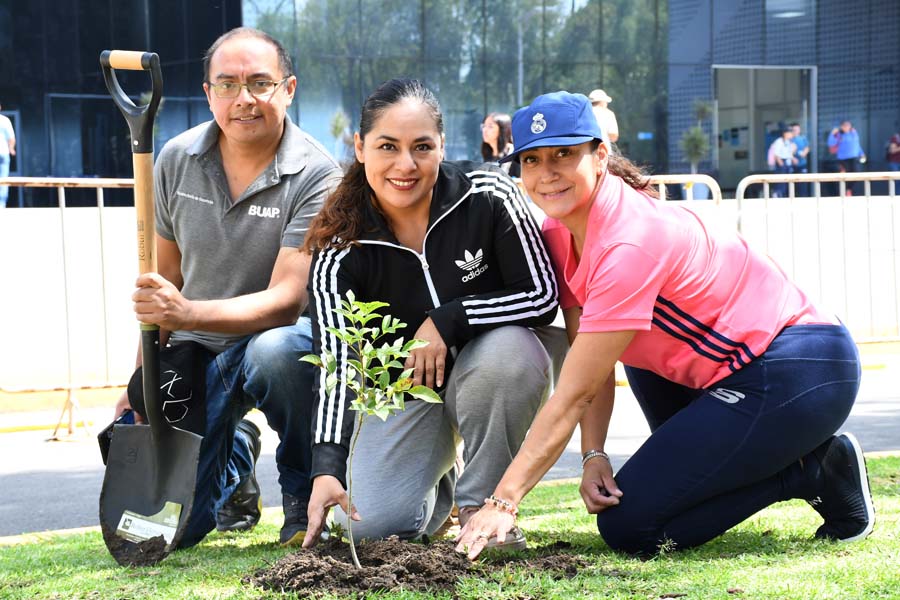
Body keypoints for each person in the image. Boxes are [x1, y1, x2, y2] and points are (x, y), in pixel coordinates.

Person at [457, 91, 874, 559]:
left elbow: (572, 391)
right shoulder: (559, 230)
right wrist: (594, 455)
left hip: (799, 368)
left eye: (563, 154)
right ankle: (788, 462)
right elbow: (587, 366)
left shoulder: (630, 241)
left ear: (600, 155)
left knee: (632, 528)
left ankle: (811, 471)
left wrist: (503, 501)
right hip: (723, 373)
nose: (546, 172)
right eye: (531, 160)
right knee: (661, 453)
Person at [300, 78, 560, 549]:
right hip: (410, 394)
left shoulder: (489, 196)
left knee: (512, 351)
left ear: (442, 146)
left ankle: (480, 507)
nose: (406, 165)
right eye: (387, 146)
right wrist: (325, 467)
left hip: (493, 374)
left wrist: (448, 319)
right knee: (364, 525)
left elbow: (541, 294)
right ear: (360, 148)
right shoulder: (341, 250)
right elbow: (336, 365)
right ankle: (438, 484)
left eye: (422, 146)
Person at [111, 27, 342, 549]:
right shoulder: (173, 158)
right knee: (179, 533)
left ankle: (302, 502)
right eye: (229, 84)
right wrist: (142, 380)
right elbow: (165, 280)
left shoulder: (318, 175)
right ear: (207, 91)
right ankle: (235, 454)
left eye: (261, 83)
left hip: (281, 342)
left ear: (288, 89)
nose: (245, 99)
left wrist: (188, 312)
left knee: (275, 353)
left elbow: (287, 299)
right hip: (197, 351)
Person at [827, 120, 866, 196]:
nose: (846, 127)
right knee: (843, 176)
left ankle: (848, 189)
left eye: (848, 125)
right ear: (841, 127)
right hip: (843, 159)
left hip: (853, 158)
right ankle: (842, 193)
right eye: (844, 125)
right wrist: (832, 133)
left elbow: (857, 145)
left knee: (856, 174)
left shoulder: (854, 133)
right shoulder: (839, 135)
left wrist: (862, 154)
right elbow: (831, 143)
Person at [480, 112, 520, 177]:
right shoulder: (488, 154)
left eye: (490, 126)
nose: (485, 130)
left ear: (503, 129)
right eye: (484, 126)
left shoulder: (514, 153)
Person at [768, 127, 796, 198]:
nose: (791, 134)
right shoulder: (779, 141)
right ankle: (777, 194)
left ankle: (784, 195)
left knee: (787, 181)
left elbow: (789, 153)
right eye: (789, 133)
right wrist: (781, 164)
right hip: (781, 163)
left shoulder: (789, 142)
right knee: (781, 181)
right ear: (785, 133)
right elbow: (776, 154)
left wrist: (793, 158)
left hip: (788, 163)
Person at [0, 102, 16, 208]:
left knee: (3, 179)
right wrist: (11, 148)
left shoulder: (5, 120)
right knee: (3, 180)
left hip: (3, 154)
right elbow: (11, 138)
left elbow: (11, 139)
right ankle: (1, 206)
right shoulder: (5, 120)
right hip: (3, 153)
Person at [790, 122, 810, 197]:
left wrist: (803, 154)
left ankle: (803, 198)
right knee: (793, 184)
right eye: (794, 129)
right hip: (792, 165)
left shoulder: (803, 138)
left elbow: (807, 148)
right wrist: (792, 158)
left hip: (802, 164)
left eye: (797, 129)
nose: (795, 131)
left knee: (803, 183)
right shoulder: (790, 139)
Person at [886, 129, 900, 195]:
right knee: (896, 180)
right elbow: (892, 150)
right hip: (895, 162)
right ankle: (895, 197)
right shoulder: (896, 138)